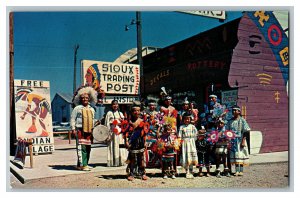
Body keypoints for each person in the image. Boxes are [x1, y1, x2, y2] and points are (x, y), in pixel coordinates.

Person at [70, 86, 97, 171]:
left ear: (89, 98)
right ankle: (83, 165)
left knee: (88, 148)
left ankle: (82, 164)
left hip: (89, 131)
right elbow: (72, 119)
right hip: (80, 130)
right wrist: (73, 129)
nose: (85, 99)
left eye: (86, 97)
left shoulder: (92, 109)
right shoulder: (77, 108)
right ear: (80, 99)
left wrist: (96, 124)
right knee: (81, 148)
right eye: (83, 98)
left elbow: (92, 120)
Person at [125, 101, 149, 181]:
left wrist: (145, 142)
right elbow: (126, 132)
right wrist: (127, 141)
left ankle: (142, 173)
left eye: (138, 110)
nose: (137, 112)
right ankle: (131, 173)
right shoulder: (129, 121)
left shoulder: (142, 121)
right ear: (132, 112)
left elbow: (145, 133)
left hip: (140, 141)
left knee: (141, 158)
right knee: (132, 158)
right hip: (132, 142)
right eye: (135, 110)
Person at [226, 105, 250, 176]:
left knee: (240, 155)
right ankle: (236, 171)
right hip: (233, 141)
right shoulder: (230, 121)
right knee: (235, 155)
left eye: (235, 110)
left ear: (239, 111)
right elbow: (226, 130)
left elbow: (246, 131)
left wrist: (243, 140)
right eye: (232, 110)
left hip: (240, 140)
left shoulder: (242, 120)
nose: (233, 111)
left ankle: (241, 171)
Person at [104, 100, 127, 167]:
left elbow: (124, 123)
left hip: (120, 133)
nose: (115, 106)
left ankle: (121, 161)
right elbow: (107, 123)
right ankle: (114, 162)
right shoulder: (109, 113)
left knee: (121, 146)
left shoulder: (120, 113)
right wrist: (108, 133)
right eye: (114, 104)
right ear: (111, 105)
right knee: (113, 146)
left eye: (116, 104)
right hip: (113, 133)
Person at [178, 113, 198, 179]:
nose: (187, 120)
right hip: (185, 143)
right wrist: (180, 143)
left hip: (191, 142)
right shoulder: (181, 127)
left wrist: (193, 140)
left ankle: (191, 170)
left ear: (190, 119)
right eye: (185, 119)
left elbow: (196, 134)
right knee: (186, 156)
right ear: (183, 120)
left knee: (191, 156)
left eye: (188, 119)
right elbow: (179, 136)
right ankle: (187, 171)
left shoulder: (192, 126)